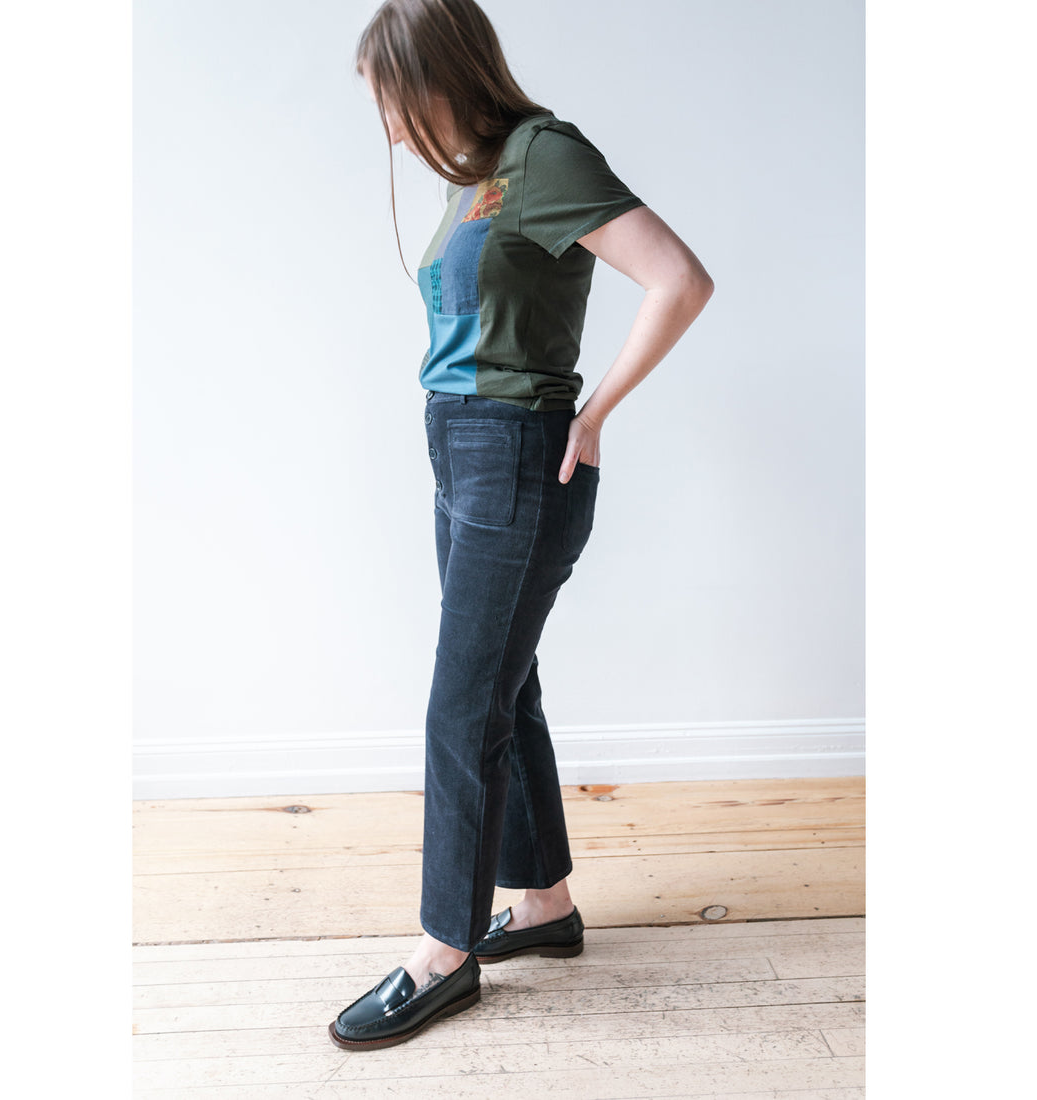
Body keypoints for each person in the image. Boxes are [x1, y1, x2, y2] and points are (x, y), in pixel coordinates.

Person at [329, 0, 714, 1051]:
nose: (390, 130)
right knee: (506, 686)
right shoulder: (477, 180)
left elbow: (679, 279)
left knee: (463, 704)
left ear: (438, 74)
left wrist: (595, 412)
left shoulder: (544, 153)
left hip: (516, 450)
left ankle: (441, 951)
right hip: (459, 446)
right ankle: (542, 901)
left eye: (394, 103)